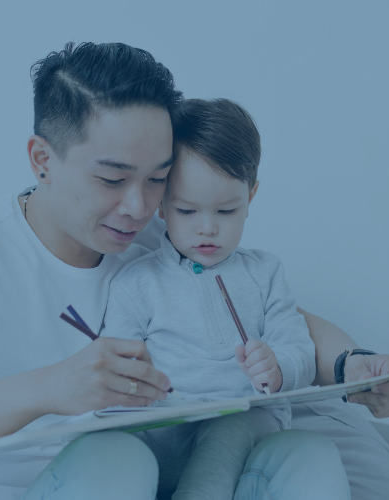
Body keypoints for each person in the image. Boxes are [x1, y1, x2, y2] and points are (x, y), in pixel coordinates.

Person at [0, 42, 389, 500]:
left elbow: (279, 315)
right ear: (42, 159)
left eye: (157, 178)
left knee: (307, 453)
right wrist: (51, 386)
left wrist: (356, 368)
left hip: (176, 471)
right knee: (117, 457)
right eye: (112, 178)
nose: (138, 205)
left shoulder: (161, 233)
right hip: (55, 480)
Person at [102, 98, 324, 499]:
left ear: (251, 197)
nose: (208, 229)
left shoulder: (265, 273)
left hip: (244, 421)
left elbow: (300, 351)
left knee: (228, 429)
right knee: (116, 443)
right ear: (162, 205)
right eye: (187, 210)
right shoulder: (136, 282)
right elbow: (114, 364)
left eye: (226, 210)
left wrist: (277, 368)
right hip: (165, 425)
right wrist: (133, 384)